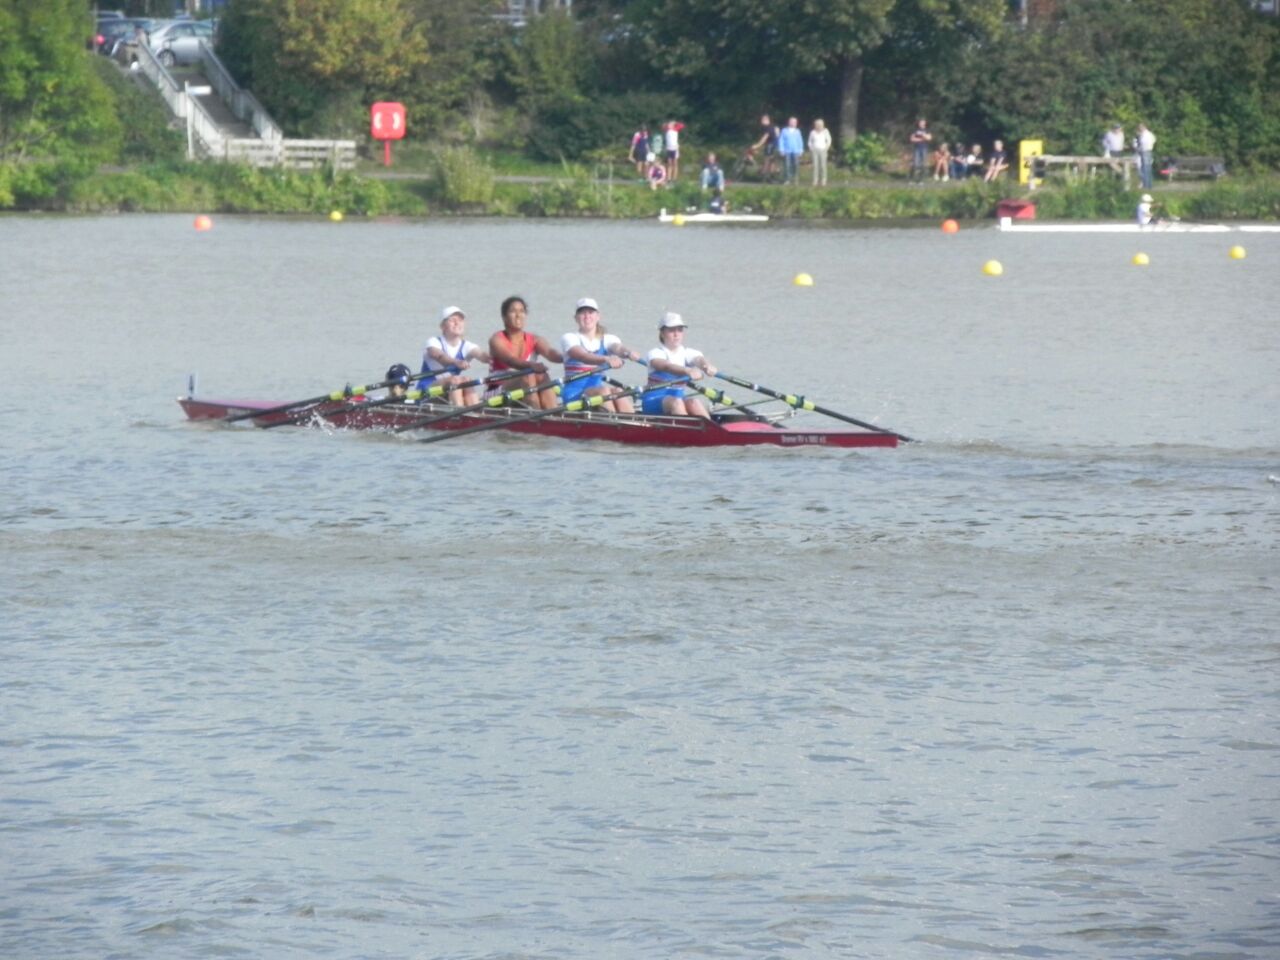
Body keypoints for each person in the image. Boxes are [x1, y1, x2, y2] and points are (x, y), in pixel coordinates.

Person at [558, 298, 642, 413]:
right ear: (576, 318)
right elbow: (583, 356)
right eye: (582, 312)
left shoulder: (607, 339)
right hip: (574, 394)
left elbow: (618, 348)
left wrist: (628, 353)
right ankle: (615, 423)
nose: (587, 316)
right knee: (603, 391)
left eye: (591, 312)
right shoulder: (569, 338)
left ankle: (633, 423)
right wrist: (606, 359)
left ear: (598, 316)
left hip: (599, 392)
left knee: (618, 390)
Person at [487, 296, 563, 410]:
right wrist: (531, 365)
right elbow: (511, 360)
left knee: (541, 375)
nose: (518, 315)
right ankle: (536, 416)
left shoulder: (535, 339)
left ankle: (553, 413)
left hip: (526, 384)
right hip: (496, 390)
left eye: (522, 311)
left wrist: (568, 356)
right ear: (504, 317)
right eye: (513, 311)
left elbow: (551, 353)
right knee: (528, 375)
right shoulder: (497, 340)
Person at [644, 312, 717, 419]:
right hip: (653, 401)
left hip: (677, 401)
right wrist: (687, 371)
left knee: (694, 402)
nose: (676, 334)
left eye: (680, 330)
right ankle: (688, 433)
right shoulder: (655, 353)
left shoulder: (687, 352)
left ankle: (712, 433)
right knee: (676, 402)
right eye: (671, 330)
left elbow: (698, 359)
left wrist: (707, 366)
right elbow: (666, 366)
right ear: (662, 333)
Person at [422, 305, 491, 405]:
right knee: (456, 380)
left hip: (450, 389)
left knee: (467, 381)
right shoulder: (433, 342)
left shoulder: (467, 346)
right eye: (452, 320)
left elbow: (483, 356)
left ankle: (477, 414)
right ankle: (459, 414)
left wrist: (500, 356)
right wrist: (456, 362)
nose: (457, 323)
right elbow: (440, 357)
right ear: (442, 326)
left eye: (460, 320)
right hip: (427, 390)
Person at [750, 114, 780, 180]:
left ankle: (766, 174)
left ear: (766, 120)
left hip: (771, 146)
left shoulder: (768, 127)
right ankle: (771, 174)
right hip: (774, 145)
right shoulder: (773, 126)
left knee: (767, 160)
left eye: (762, 120)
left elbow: (764, 138)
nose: (761, 122)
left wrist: (757, 145)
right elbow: (777, 134)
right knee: (771, 160)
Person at [778, 116, 804, 185]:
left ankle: (795, 179)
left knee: (796, 165)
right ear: (789, 122)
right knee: (787, 165)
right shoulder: (784, 130)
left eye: (794, 122)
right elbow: (781, 140)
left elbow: (800, 141)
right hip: (787, 151)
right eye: (791, 122)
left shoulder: (798, 131)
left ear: (796, 123)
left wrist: (801, 150)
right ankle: (787, 179)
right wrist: (781, 149)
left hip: (796, 151)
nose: (793, 123)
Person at [808, 118, 831, 186]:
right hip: (815, 150)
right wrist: (811, 148)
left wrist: (826, 148)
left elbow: (829, 140)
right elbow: (809, 141)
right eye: (817, 124)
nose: (818, 126)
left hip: (823, 150)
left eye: (820, 124)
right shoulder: (812, 132)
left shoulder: (825, 131)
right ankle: (815, 180)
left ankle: (823, 180)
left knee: (823, 166)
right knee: (815, 166)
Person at [1135, 123, 1156, 189]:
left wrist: (1139, 148)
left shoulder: (1145, 135)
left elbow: (1143, 143)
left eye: (1140, 128)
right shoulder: (1150, 134)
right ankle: (1149, 184)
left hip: (1145, 151)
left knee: (1145, 169)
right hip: (1148, 151)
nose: (1139, 129)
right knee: (1148, 168)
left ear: (1143, 127)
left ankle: (1146, 185)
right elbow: (1154, 140)